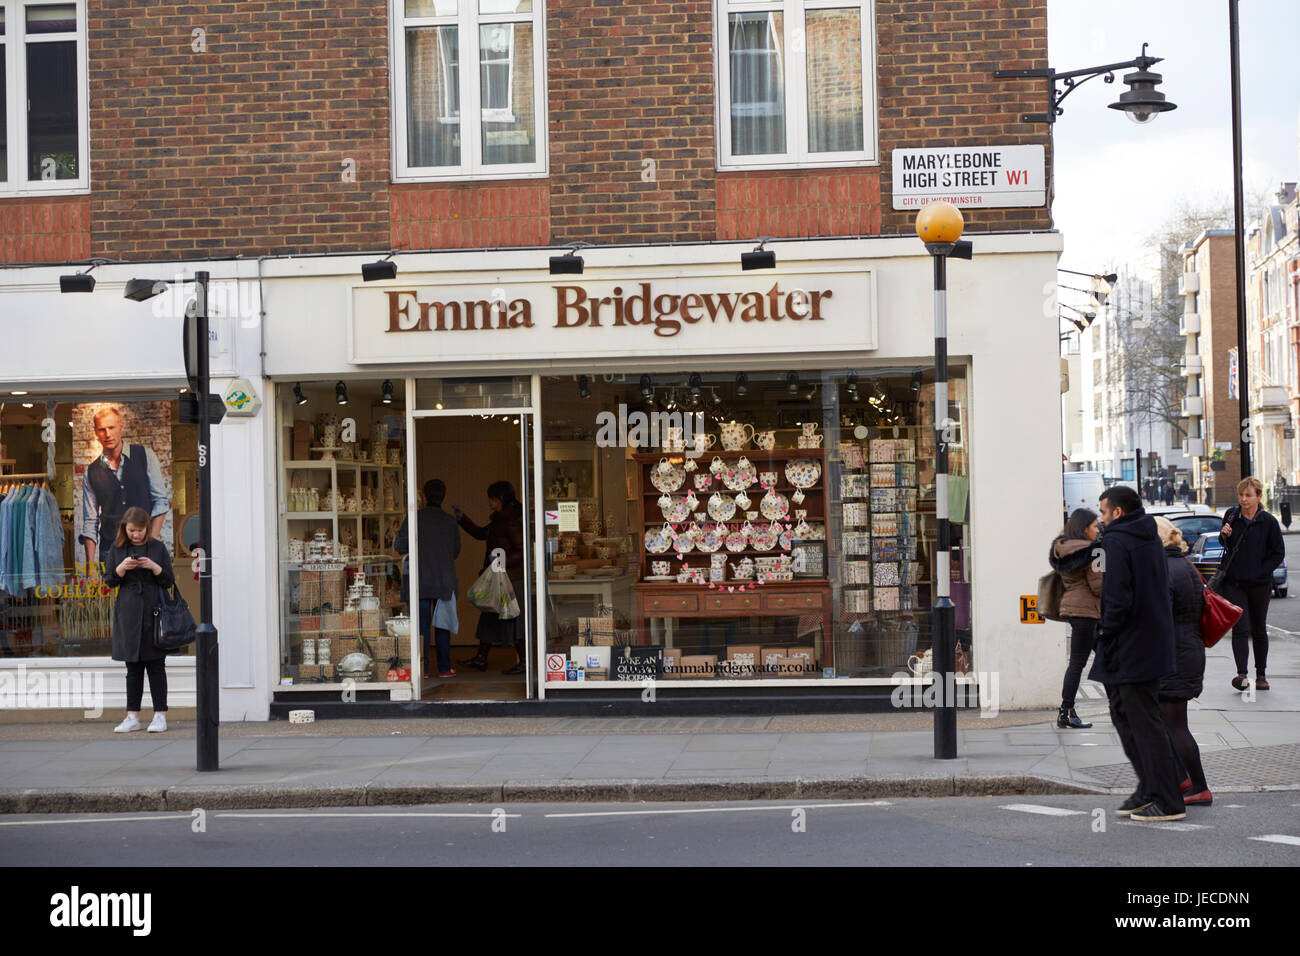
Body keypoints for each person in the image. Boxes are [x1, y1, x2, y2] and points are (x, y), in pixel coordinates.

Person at [1089, 485, 1185, 822]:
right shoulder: (1147, 535)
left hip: (1130, 645)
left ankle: (1168, 799)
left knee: (1142, 723)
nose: (1100, 519)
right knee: (1130, 717)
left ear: (1117, 512)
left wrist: (1104, 631)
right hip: (1149, 642)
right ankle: (1149, 789)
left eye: (1103, 512)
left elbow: (1118, 596)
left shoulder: (1117, 540)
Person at [1153, 516, 1211, 806]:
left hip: (1174, 654)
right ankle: (1184, 780)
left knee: (1175, 725)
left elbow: (1158, 617)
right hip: (1189, 650)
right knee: (1169, 722)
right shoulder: (1186, 566)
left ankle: (1198, 786)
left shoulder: (1163, 570)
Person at [104, 507, 174, 733]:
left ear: (147, 528)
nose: (136, 535)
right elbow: (109, 581)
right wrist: (121, 568)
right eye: (132, 530)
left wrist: (154, 566)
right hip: (129, 612)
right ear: (125, 528)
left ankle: (160, 715)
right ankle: (132, 715)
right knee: (132, 667)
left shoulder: (157, 547)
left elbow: (168, 581)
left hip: (154, 611)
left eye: (140, 530)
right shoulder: (117, 549)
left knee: (156, 665)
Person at [78, 407, 170, 566]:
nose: (107, 434)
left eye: (111, 427)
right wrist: (90, 569)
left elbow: (161, 501)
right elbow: (90, 521)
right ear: (95, 432)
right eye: (102, 429)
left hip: (145, 550)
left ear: (121, 426)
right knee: (114, 591)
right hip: (110, 552)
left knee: (147, 591)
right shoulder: (91, 472)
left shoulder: (145, 456)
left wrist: (151, 542)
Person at [1218, 476, 1285, 691]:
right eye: (1241, 495)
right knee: (1240, 628)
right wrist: (1223, 535)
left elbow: (1278, 553)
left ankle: (1261, 674)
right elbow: (1225, 545)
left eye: (1248, 495)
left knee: (1258, 629)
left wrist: (1261, 571)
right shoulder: (1231, 515)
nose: (1244, 499)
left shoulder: (1268, 522)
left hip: (1259, 584)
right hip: (1235, 583)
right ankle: (1242, 675)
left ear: (1258, 497)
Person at [455, 480, 527, 674]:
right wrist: (462, 519)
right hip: (500, 576)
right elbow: (481, 533)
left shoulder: (510, 522)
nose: (489, 502)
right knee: (489, 615)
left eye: (492, 499)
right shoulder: (500, 520)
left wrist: (498, 562)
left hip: (508, 578)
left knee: (510, 618)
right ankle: (481, 658)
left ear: (501, 499)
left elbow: (523, 551)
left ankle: (524, 662)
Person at [394, 479, 461, 679]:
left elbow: (400, 547)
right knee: (442, 624)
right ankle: (444, 668)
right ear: (444, 496)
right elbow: (456, 551)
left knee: (421, 627)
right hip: (444, 580)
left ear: (423, 496)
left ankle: (422, 669)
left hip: (419, 581)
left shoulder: (414, 519)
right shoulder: (450, 521)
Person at [1049, 508, 1102, 729]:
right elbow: (1100, 587)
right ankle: (1067, 711)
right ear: (1084, 528)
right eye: (1094, 526)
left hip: (1073, 609)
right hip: (1088, 611)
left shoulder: (1061, 547)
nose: (1097, 529)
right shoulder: (1096, 551)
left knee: (1096, 659)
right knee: (1083, 662)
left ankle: (1067, 711)